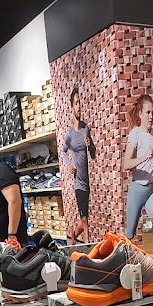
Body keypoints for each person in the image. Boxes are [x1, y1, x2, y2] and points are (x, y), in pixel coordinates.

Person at [123, 94, 153, 240]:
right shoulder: (135, 134)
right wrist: (143, 157)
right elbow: (126, 164)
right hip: (137, 190)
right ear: (140, 114)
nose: (151, 116)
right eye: (147, 112)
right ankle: (121, 260)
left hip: (151, 189)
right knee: (129, 234)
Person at [62, 87, 95, 242]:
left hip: (86, 179)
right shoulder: (70, 135)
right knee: (85, 219)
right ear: (71, 107)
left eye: (80, 104)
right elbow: (63, 152)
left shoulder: (85, 129)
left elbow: (93, 155)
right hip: (78, 182)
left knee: (84, 217)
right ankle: (88, 243)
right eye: (76, 104)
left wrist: (90, 146)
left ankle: (74, 235)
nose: (79, 107)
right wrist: (69, 165)